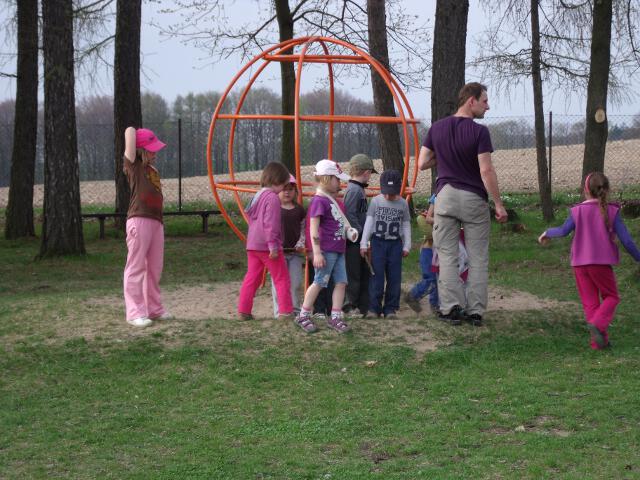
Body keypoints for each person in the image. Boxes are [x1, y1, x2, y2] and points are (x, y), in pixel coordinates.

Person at [418, 82, 508, 327]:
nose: (488, 106)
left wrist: (443, 154)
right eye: (484, 101)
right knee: (478, 257)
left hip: (445, 196)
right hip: (473, 198)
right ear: (471, 101)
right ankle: (475, 311)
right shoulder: (480, 132)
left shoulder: (436, 128)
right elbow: (486, 170)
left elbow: (422, 163)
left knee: (447, 255)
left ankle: (450, 308)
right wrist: (498, 204)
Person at [538, 172, 640, 350]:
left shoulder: (576, 211)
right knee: (612, 296)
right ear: (607, 190)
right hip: (601, 265)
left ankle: (599, 343)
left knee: (590, 303)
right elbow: (627, 241)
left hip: (579, 265)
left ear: (585, 190)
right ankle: (598, 326)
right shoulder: (612, 211)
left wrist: (547, 232)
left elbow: (563, 231)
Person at [296, 160, 354, 334]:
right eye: (337, 179)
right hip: (326, 251)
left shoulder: (332, 201)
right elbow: (313, 229)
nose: (340, 182)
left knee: (341, 282)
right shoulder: (319, 201)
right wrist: (317, 252)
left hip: (339, 250)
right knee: (319, 282)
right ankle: (303, 314)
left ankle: (335, 316)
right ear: (327, 179)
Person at [123, 127, 172, 328]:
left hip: (156, 222)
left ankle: (153, 309)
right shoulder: (133, 166)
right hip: (139, 219)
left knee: (154, 268)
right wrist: (137, 135)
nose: (155, 153)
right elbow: (129, 131)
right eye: (151, 149)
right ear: (141, 150)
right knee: (136, 267)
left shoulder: (153, 170)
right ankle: (135, 312)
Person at [237, 162, 294, 321]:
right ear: (277, 180)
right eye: (284, 184)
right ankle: (285, 312)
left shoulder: (258, 195)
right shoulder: (272, 198)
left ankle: (243, 311)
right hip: (267, 246)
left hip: (253, 244)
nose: (283, 188)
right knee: (281, 277)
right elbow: (271, 224)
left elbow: (249, 214)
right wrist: (273, 245)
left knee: (252, 278)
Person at [360, 169, 411, 319]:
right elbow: (369, 222)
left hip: (395, 244)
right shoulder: (376, 201)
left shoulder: (403, 204)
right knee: (377, 276)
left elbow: (406, 224)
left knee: (394, 277)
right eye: (386, 192)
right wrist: (364, 243)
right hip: (378, 243)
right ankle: (374, 308)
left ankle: (390, 308)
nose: (389, 196)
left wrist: (407, 245)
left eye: (392, 192)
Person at [343, 153, 377, 318]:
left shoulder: (358, 189)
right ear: (366, 172)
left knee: (363, 272)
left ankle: (363, 306)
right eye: (370, 173)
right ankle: (350, 306)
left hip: (361, 239)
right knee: (354, 273)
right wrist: (361, 233)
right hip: (354, 241)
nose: (370, 176)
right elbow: (350, 215)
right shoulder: (354, 190)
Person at [271, 175, 306, 318]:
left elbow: (304, 229)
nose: (287, 192)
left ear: (295, 191)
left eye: (291, 189)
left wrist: (301, 243)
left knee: (296, 283)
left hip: (295, 253)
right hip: (278, 253)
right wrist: (272, 246)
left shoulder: (299, 210)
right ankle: (279, 311)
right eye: (284, 189)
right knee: (278, 284)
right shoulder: (274, 209)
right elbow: (269, 230)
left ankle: (295, 310)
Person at [404, 196, 439, 314]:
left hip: (439, 251)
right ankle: (412, 296)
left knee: (438, 279)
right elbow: (428, 232)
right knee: (431, 278)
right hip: (428, 251)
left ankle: (435, 304)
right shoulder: (424, 218)